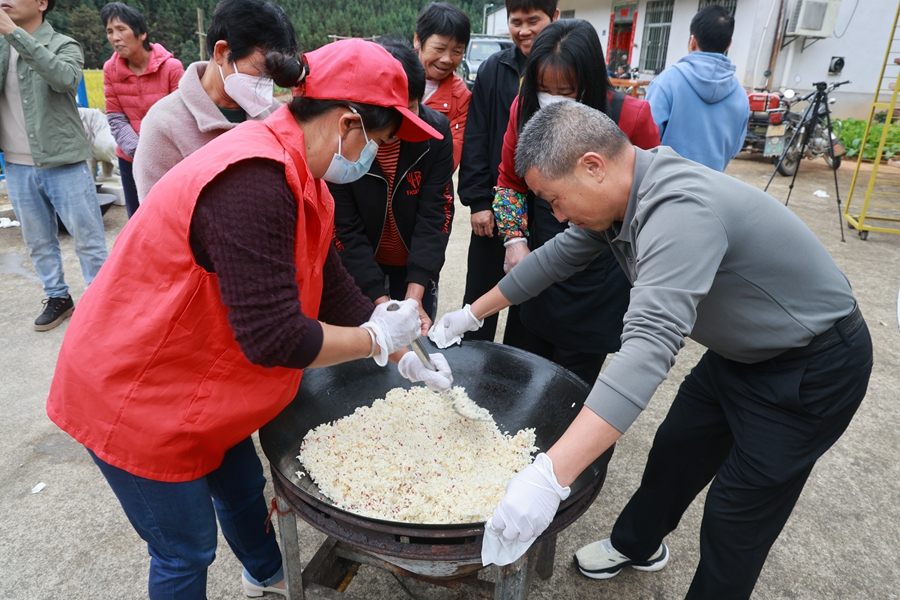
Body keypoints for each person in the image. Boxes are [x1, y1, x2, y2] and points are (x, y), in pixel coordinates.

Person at [46, 39, 452, 600]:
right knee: (184, 548)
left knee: (240, 489)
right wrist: (373, 339)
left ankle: (269, 576)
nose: (374, 158)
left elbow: (334, 290)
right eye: (379, 142)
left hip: (202, 382)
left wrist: (404, 351)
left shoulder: (305, 176)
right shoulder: (252, 179)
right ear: (349, 123)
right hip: (137, 389)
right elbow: (274, 337)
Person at [431, 101, 872, 599]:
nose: (554, 214)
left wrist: (549, 476)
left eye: (553, 198)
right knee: (676, 450)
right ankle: (636, 545)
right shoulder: (624, 194)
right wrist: (471, 313)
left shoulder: (678, 209)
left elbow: (648, 345)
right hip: (739, 353)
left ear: (592, 166)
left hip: (813, 362)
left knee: (736, 514)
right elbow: (552, 260)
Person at [491, 19, 658, 384]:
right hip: (540, 257)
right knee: (520, 375)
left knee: (573, 386)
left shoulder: (631, 115)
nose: (551, 99)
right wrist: (516, 241)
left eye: (565, 90)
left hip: (601, 270)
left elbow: (651, 194)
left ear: (590, 83)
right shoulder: (524, 108)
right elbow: (508, 182)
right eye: (543, 88)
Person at [330, 41, 454, 331]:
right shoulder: (343, 139)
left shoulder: (435, 133)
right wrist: (381, 301)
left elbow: (435, 214)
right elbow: (344, 228)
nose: (399, 125)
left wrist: (414, 295)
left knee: (413, 336)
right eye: (390, 113)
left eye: (409, 110)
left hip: (414, 267)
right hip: (359, 267)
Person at [0, 0, 108, 331]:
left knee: (87, 237)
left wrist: (15, 34)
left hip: (65, 161)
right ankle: (58, 297)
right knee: (37, 241)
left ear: (42, 3)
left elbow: (64, 78)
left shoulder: (63, 44)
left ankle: (101, 302)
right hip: (17, 165)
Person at [457, 0, 558, 344]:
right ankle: (469, 367)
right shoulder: (494, 69)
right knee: (480, 294)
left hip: (547, 208)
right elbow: (476, 136)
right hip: (497, 205)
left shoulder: (567, 70)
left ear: (554, 18)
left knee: (531, 302)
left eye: (534, 20)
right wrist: (478, 202)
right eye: (516, 22)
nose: (524, 30)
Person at [134, 0, 292, 201]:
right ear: (222, 52)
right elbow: (157, 218)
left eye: (273, 74)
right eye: (262, 70)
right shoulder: (163, 127)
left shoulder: (274, 115)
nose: (266, 82)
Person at [101, 2, 183, 217]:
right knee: (138, 220)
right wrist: (139, 152)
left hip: (168, 159)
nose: (115, 37)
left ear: (142, 34)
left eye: (121, 29)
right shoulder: (110, 69)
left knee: (171, 217)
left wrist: (154, 152)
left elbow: (181, 116)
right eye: (109, 31)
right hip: (131, 159)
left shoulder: (171, 68)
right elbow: (116, 119)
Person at [644, 4, 749, 172]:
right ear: (729, 44)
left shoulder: (667, 82)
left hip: (664, 189)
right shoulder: (741, 96)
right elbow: (734, 149)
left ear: (693, 41)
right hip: (711, 190)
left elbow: (646, 141)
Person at [413, 2, 471, 169]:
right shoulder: (394, 75)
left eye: (457, 52)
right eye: (440, 48)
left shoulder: (460, 97)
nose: (447, 59)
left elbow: (450, 156)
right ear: (418, 40)